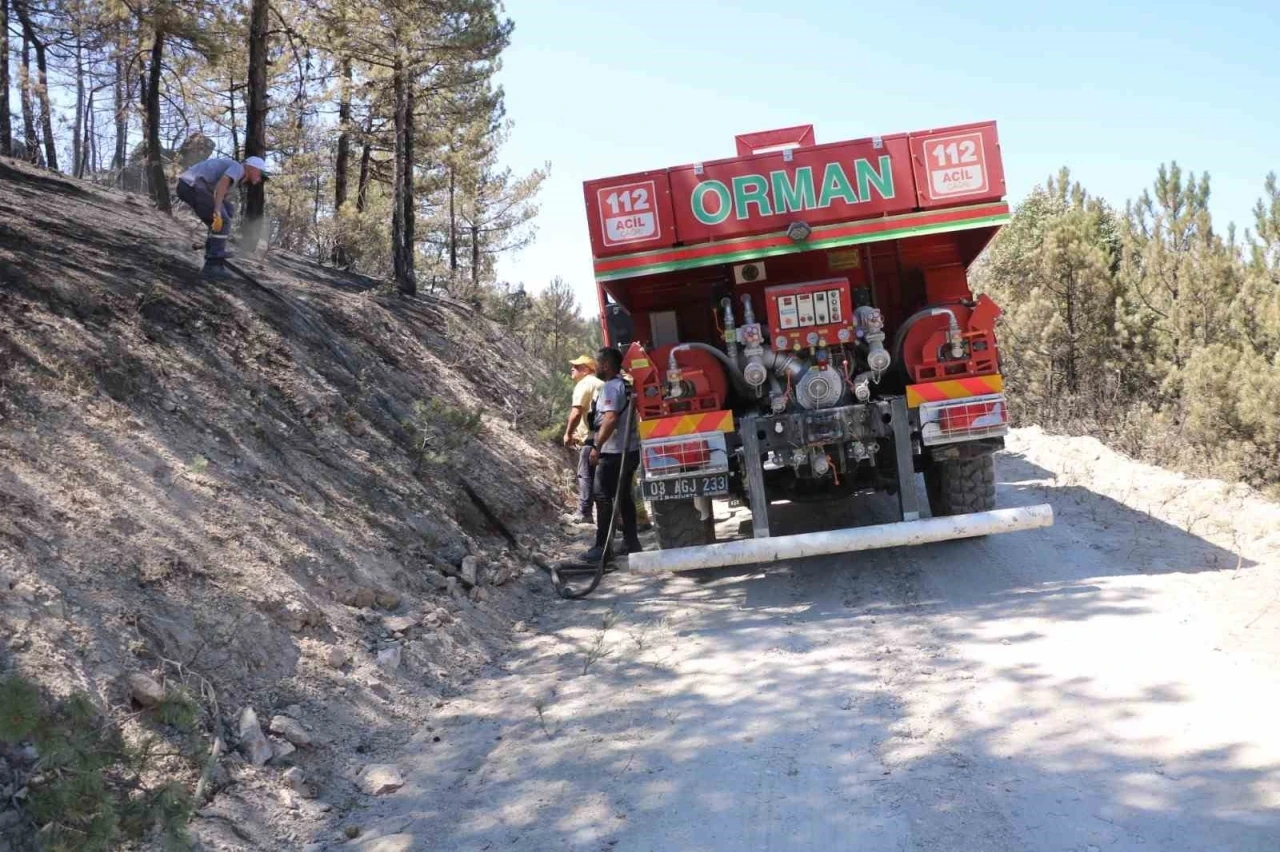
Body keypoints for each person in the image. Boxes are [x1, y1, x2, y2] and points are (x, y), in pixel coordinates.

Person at [582, 347, 642, 562]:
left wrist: (597, 446)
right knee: (623, 496)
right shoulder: (625, 385)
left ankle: (602, 547)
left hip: (614, 452)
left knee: (602, 496)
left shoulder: (610, 387)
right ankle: (631, 542)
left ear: (606, 365)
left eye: (598, 363)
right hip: (629, 450)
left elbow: (610, 418)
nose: (596, 367)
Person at [175, 154, 271, 279]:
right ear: (251, 168)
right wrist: (217, 210)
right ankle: (212, 264)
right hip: (191, 184)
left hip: (192, 185)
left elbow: (221, 192)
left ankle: (213, 249)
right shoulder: (238, 168)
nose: (260, 178)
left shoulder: (238, 173)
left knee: (228, 210)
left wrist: (221, 209)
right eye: (260, 174)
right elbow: (222, 184)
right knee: (223, 220)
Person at [563, 355, 604, 523]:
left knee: (585, 475)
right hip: (607, 438)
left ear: (586, 370)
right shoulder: (601, 384)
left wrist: (568, 433)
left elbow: (576, 412)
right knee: (602, 479)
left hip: (591, 439)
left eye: (577, 366)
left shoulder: (584, 384)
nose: (572, 368)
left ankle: (584, 513)